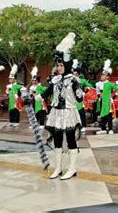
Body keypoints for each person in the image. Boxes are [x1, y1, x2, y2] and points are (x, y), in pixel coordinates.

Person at [35, 33, 83, 180]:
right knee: (56, 139)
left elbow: (80, 97)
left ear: (67, 66)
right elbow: (47, 93)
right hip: (56, 113)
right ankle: (58, 168)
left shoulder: (74, 80)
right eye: (58, 65)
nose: (59, 67)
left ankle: (72, 168)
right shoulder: (55, 79)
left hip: (69, 112)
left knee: (70, 139)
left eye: (62, 65)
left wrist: (79, 89)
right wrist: (36, 97)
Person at [95, 60, 118, 135]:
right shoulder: (99, 84)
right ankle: (103, 129)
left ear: (107, 77)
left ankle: (110, 129)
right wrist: (99, 97)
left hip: (108, 101)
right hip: (102, 100)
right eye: (102, 75)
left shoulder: (110, 84)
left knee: (109, 115)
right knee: (102, 115)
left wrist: (113, 97)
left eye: (104, 75)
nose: (102, 76)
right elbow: (98, 91)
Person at [72, 59, 93, 133]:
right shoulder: (69, 80)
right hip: (71, 99)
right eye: (72, 73)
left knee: (81, 112)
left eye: (74, 73)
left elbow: (90, 86)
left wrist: (85, 91)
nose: (73, 74)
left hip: (80, 99)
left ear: (77, 74)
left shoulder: (82, 80)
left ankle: (83, 126)